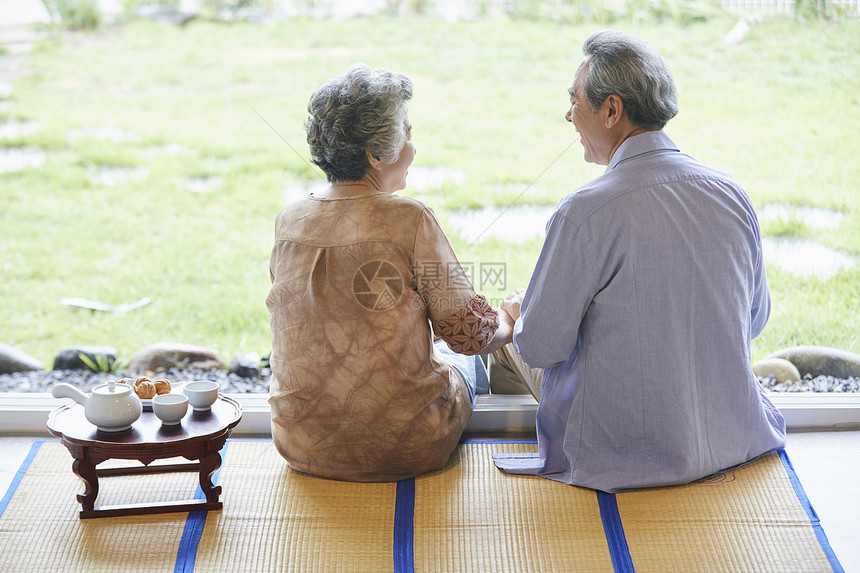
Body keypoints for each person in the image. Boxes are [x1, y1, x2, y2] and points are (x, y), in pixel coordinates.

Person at [491, 31, 786, 492]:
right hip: (732, 442)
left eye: (574, 101)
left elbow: (541, 348)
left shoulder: (585, 212)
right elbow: (754, 318)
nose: (568, 114)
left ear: (611, 110)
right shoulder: (731, 193)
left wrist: (521, 313)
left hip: (619, 455)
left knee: (508, 338)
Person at [266, 64, 514, 482]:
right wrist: (511, 318)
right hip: (407, 446)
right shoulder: (408, 218)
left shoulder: (289, 219)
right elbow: (471, 335)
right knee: (470, 359)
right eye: (408, 133)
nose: (413, 147)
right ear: (375, 155)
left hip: (299, 443)